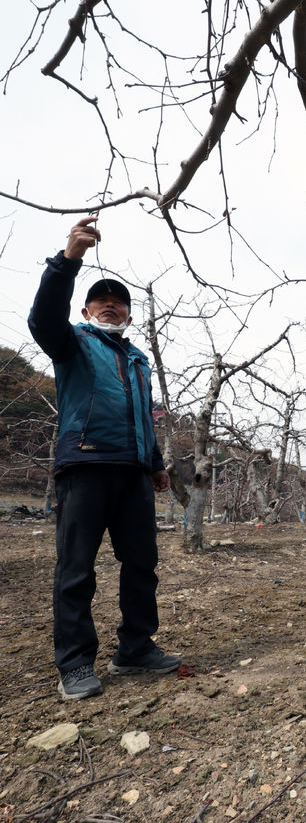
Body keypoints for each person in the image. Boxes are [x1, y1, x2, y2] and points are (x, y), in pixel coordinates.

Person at [28, 216, 181, 700]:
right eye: (101, 299)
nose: (110, 304)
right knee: (77, 569)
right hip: (86, 467)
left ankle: (135, 648)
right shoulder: (71, 342)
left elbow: (141, 416)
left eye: (119, 301)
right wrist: (68, 260)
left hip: (133, 473)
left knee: (142, 564)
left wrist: (155, 463)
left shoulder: (138, 360)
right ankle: (74, 663)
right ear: (87, 307)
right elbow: (42, 319)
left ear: (130, 316)